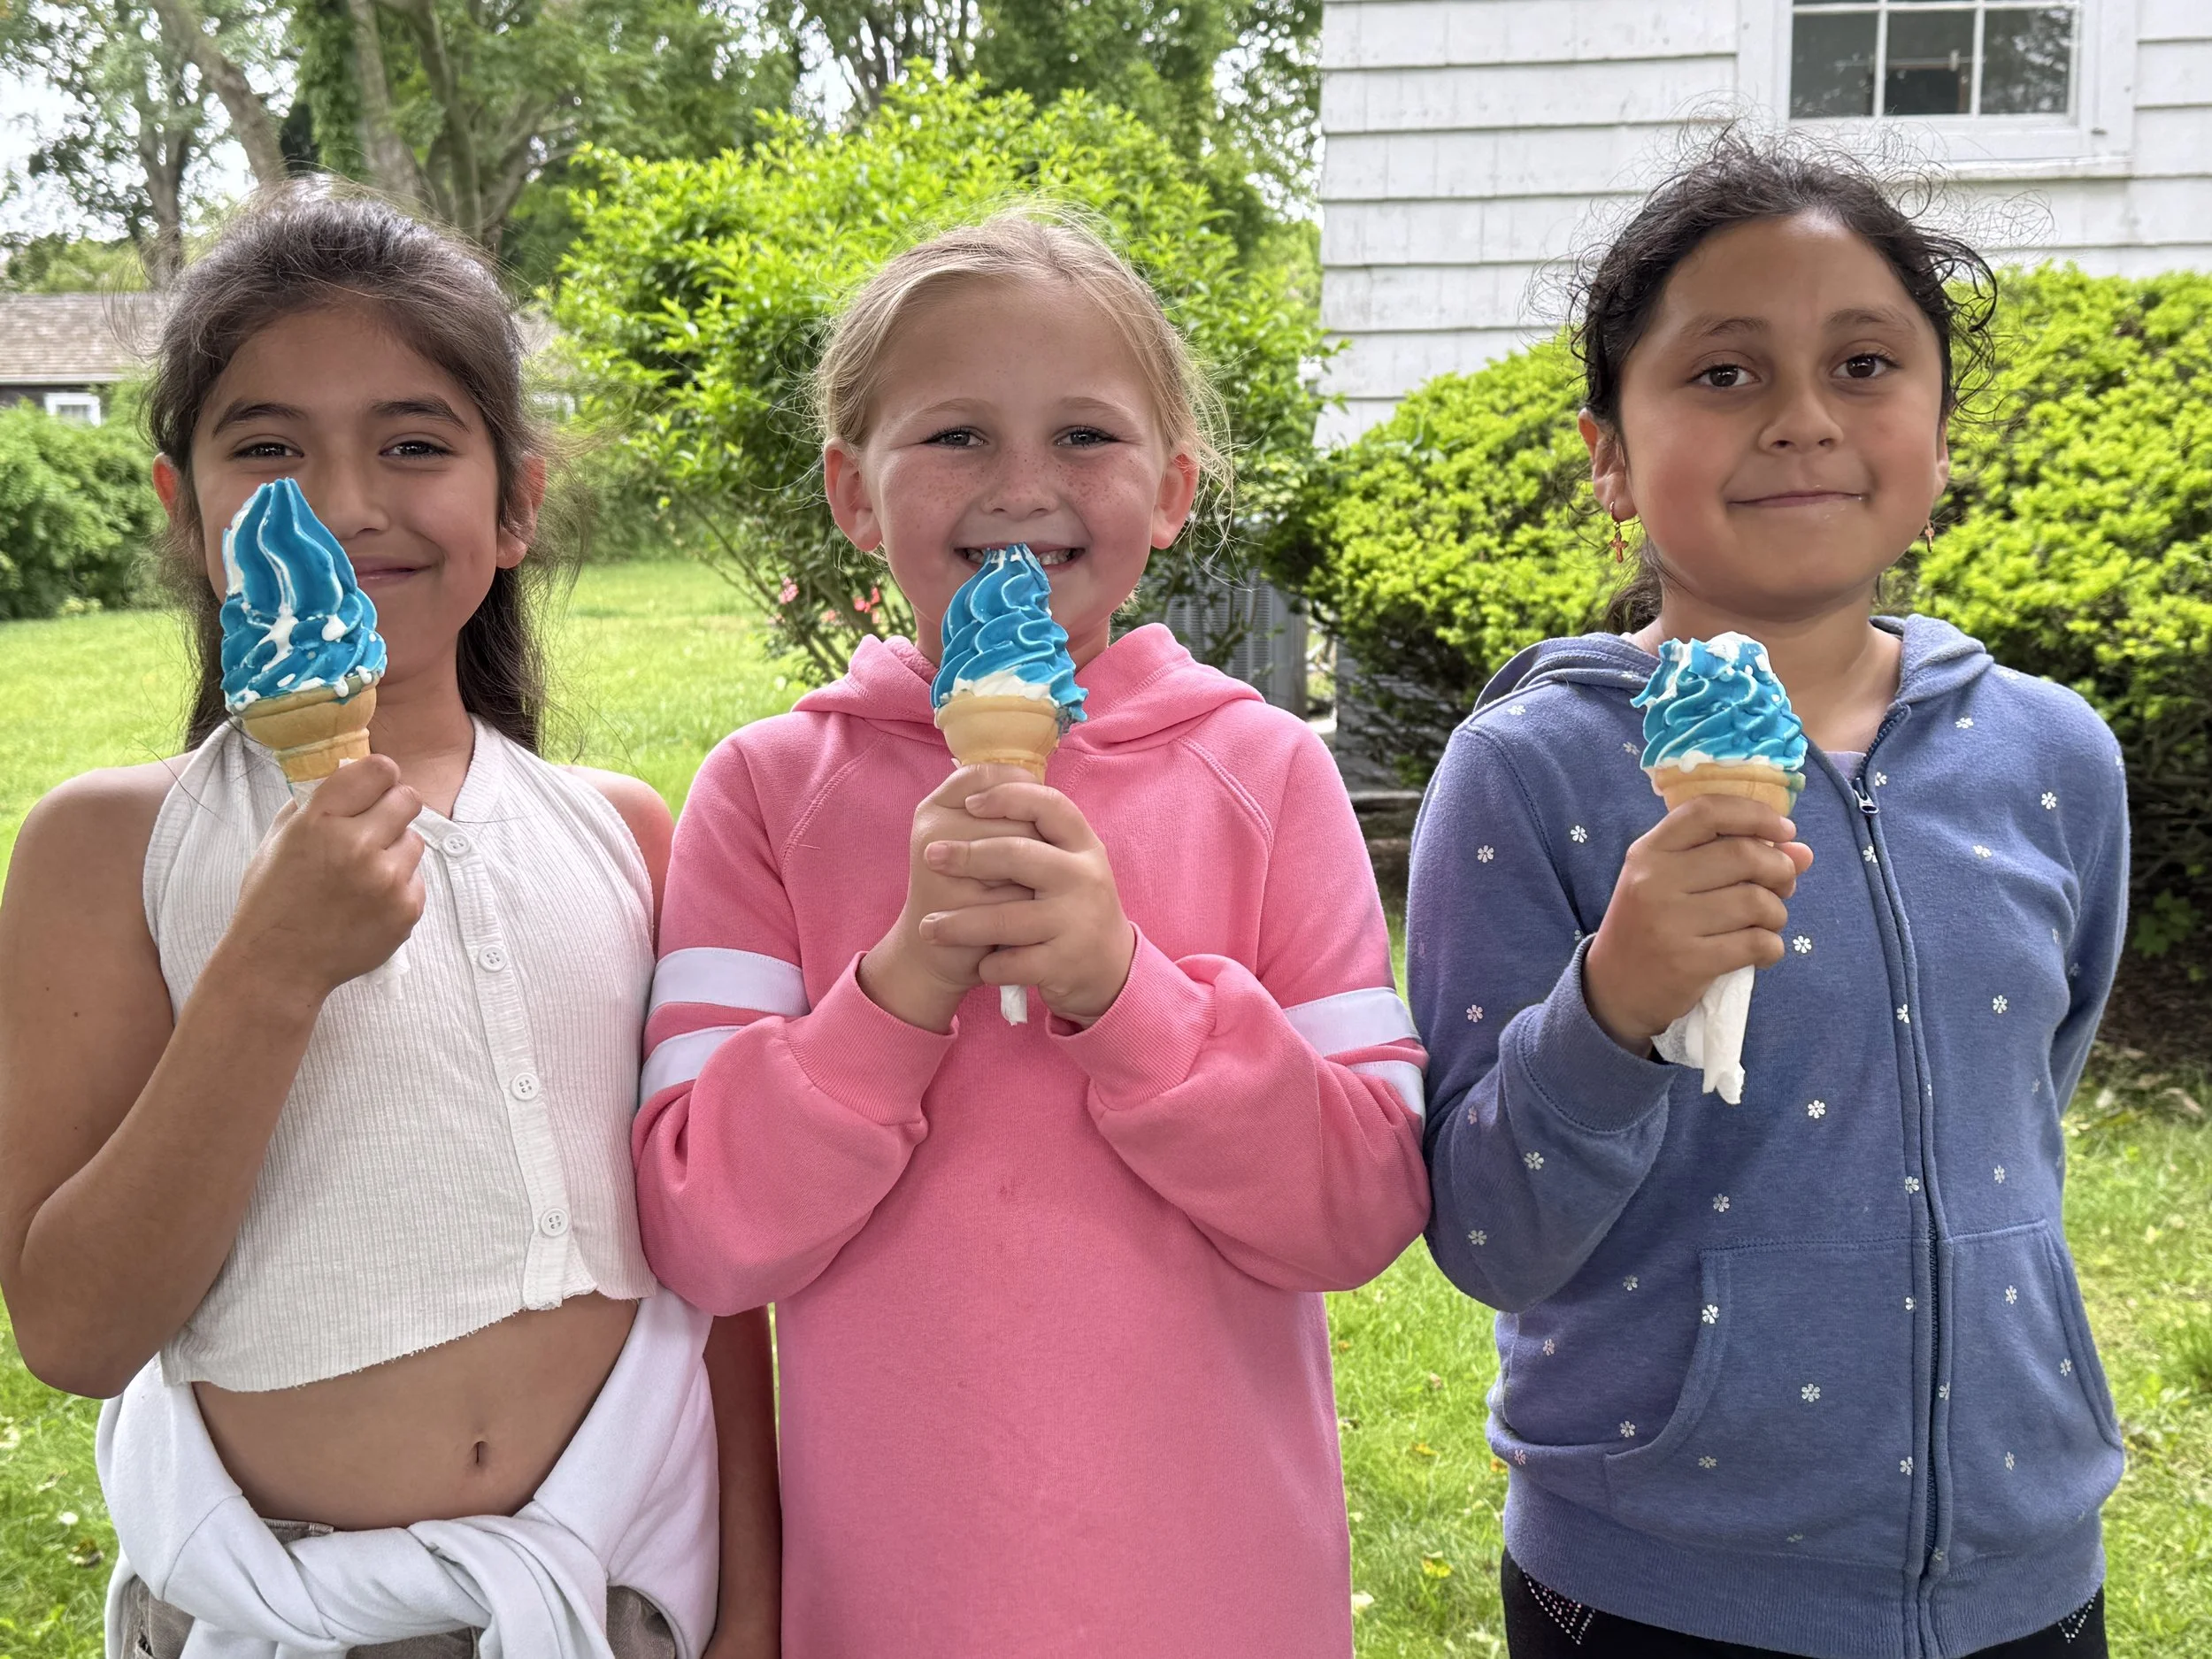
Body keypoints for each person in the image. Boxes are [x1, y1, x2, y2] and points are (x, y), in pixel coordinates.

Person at [632, 210, 1431, 1657]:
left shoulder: (1265, 776)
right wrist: (896, 987)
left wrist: (1129, 993)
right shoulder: (767, 793)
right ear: (851, 493)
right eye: (952, 437)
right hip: (891, 1605)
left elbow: (1365, 1200)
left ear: (1174, 487)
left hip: (1219, 1597)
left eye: (1084, 436)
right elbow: (703, 1226)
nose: (1020, 486)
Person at [0, 186, 778, 1659]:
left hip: (615, 1592)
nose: (347, 504)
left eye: (415, 443)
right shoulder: (107, 846)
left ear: (516, 504)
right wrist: (270, 972)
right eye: (268, 448)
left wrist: (750, 1609)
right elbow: (75, 1330)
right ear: (184, 511)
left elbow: (710, 1258)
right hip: (287, 1612)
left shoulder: (621, 833)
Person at [1411, 139, 2128, 1659]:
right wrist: (1612, 1007)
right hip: (1654, 1585)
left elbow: (2025, 1103)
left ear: (1938, 432)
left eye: (1864, 362)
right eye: (1725, 373)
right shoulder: (1531, 772)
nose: (1803, 417)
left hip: (2029, 1568)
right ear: (1609, 452)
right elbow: (1484, 1227)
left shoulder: (2054, 756)